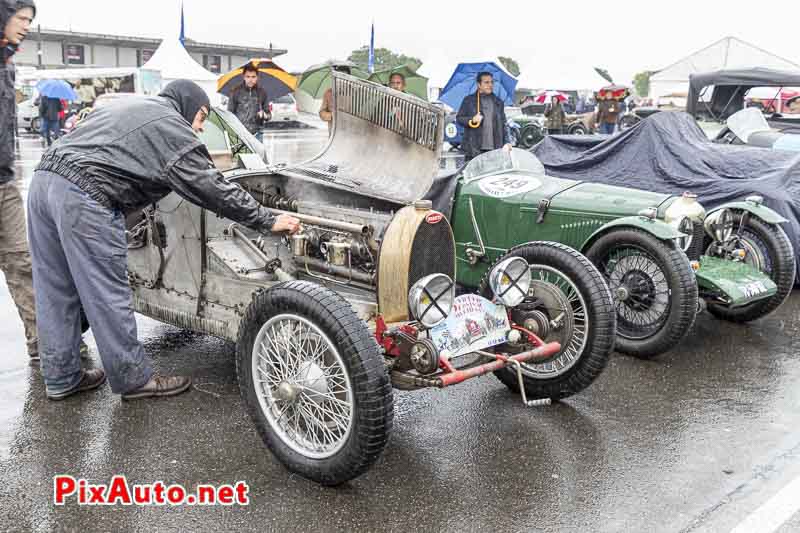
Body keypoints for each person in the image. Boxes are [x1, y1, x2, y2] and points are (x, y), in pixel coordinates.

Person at [28, 79, 301, 401]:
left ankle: (62, 377)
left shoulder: (133, 107)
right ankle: (133, 380)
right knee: (107, 293)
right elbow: (209, 185)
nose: (198, 130)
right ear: (194, 107)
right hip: (84, 196)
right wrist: (266, 219)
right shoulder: (172, 126)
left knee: (55, 289)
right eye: (201, 120)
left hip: (43, 182)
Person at [1, 0, 39, 361]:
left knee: (21, 262)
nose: (26, 25)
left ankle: (43, 343)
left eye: (30, 20)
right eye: (21, 18)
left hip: (4, 181)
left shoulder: (8, 64)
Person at [456, 71, 512, 161]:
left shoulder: (498, 102)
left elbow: (504, 124)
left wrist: (508, 142)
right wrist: (472, 120)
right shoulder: (469, 100)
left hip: (495, 149)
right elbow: (459, 118)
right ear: (479, 84)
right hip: (474, 149)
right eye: (486, 82)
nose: (490, 85)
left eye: (491, 82)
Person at [227, 63, 270, 142]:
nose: (250, 79)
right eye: (248, 76)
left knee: (257, 154)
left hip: (257, 134)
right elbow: (229, 113)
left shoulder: (262, 92)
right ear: (244, 77)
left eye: (253, 77)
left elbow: (268, 115)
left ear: (257, 77)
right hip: (240, 133)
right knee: (240, 154)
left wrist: (264, 115)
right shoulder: (236, 91)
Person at [319, 65, 351, 134]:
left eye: (344, 77)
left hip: (351, 133)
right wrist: (332, 115)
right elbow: (322, 113)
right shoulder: (329, 93)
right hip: (334, 135)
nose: (342, 80)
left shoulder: (356, 93)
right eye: (339, 77)